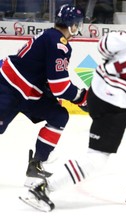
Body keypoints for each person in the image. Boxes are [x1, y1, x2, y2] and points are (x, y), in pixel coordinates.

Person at [19, 16, 126, 212]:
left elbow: (104, 47)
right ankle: (42, 189)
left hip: (101, 91)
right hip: (115, 103)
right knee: (96, 159)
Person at [0, 4, 87, 187]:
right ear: (73, 24)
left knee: (58, 115)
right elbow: (60, 87)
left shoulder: (51, 36)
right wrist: (81, 97)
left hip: (28, 92)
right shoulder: (59, 44)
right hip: (7, 86)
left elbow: (49, 80)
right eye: (77, 24)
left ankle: (36, 166)